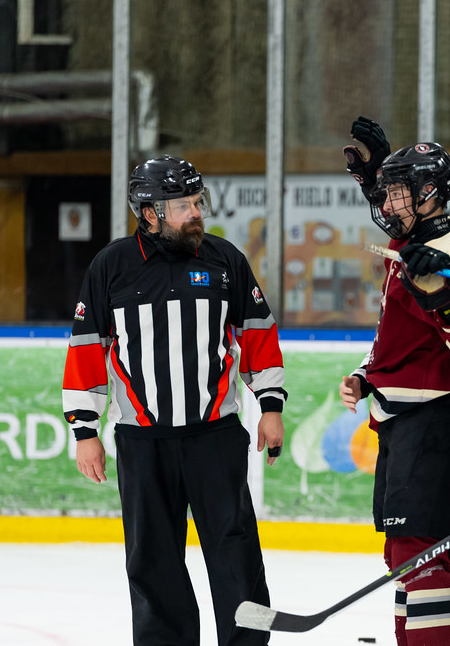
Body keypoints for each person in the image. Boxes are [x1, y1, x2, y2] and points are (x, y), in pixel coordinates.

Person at [62, 154, 287, 646]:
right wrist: (85, 431)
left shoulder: (226, 261)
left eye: (196, 202)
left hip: (216, 437)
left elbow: (259, 338)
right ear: (149, 213)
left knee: (236, 555)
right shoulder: (111, 267)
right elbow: (84, 353)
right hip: (143, 444)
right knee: (153, 560)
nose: (195, 213)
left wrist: (270, 407)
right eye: (183, 205)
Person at [339, 132, 450, 646]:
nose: (386, 205)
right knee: (404, 552)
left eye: (398, 192)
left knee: (418, 551)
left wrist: (443, 294)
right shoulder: (415, 243)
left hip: (434, 417)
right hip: (403, 416)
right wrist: (367, 375)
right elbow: (396, 319)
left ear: (430, 193)